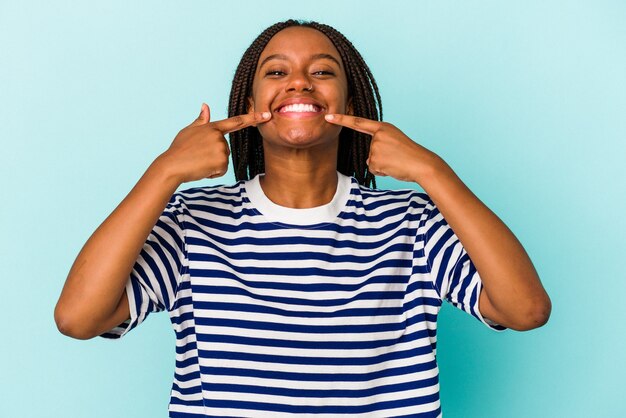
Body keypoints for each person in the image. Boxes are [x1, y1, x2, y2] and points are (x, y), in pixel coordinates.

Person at [54, 19, 551, 418]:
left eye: (322, 71)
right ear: (249, 106)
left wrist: (432, 170)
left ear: (350, 103)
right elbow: (79, 318)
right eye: (275, 72)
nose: (298, 81)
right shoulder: (191, 223)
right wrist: (163, 172)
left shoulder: (413, 224)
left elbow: (524, 310)